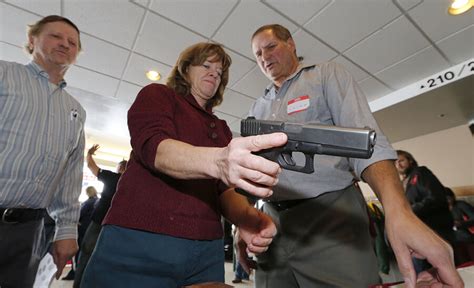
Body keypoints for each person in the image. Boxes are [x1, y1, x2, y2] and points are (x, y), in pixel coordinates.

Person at [234, 24, 463, 288]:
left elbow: (367, 144)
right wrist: (244, 218)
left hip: (331, 218)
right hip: (271, 223)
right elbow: (255, 169)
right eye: (258, 55)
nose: (264, 57)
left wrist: (397, 210)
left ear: (291, 44)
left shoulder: (325, 75)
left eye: (270, 47)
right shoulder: (257, 106)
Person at [81, 42, 287, 287]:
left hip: (206, 252)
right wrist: (219, 162)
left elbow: (224, 190)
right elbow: (156, 149)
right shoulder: (158, 95)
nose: (214, 73)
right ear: (185, 69)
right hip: (139, 240)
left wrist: (247, 219)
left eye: (219, 72)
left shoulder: (221, 128)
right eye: (206, 65)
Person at [0, 15, 85, 288]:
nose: (64, 44)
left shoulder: (76, 111)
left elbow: (71, 173)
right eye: (55, 36)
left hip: (30, 231)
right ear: (32, 39)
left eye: (72, 42)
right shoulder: (4, 74)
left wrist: (67, 230)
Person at [73, 144, 127, 288]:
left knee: (85, 255)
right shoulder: (132, 184)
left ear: (120, 168)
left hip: (98, 223)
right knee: (108, 260)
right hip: (118, 227)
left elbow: (91, 166)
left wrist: (89, 154)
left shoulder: (112, 178)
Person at [396, 150, 455, 273]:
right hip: (420, 233)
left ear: (410, 160)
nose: (398, 165)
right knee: (426, 274)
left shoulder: (420, 172)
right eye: (395, 162)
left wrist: (408, 211)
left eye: (401, 160)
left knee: (445, 272)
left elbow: (435, 197)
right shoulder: (403, 183)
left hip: (437, 230)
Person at [62, 186, 98, 281]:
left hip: (82, 229)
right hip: (90, 230)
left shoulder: (88, 202)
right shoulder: (97, 201)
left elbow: (79, 214)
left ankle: (74, 273)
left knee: (78, 253)